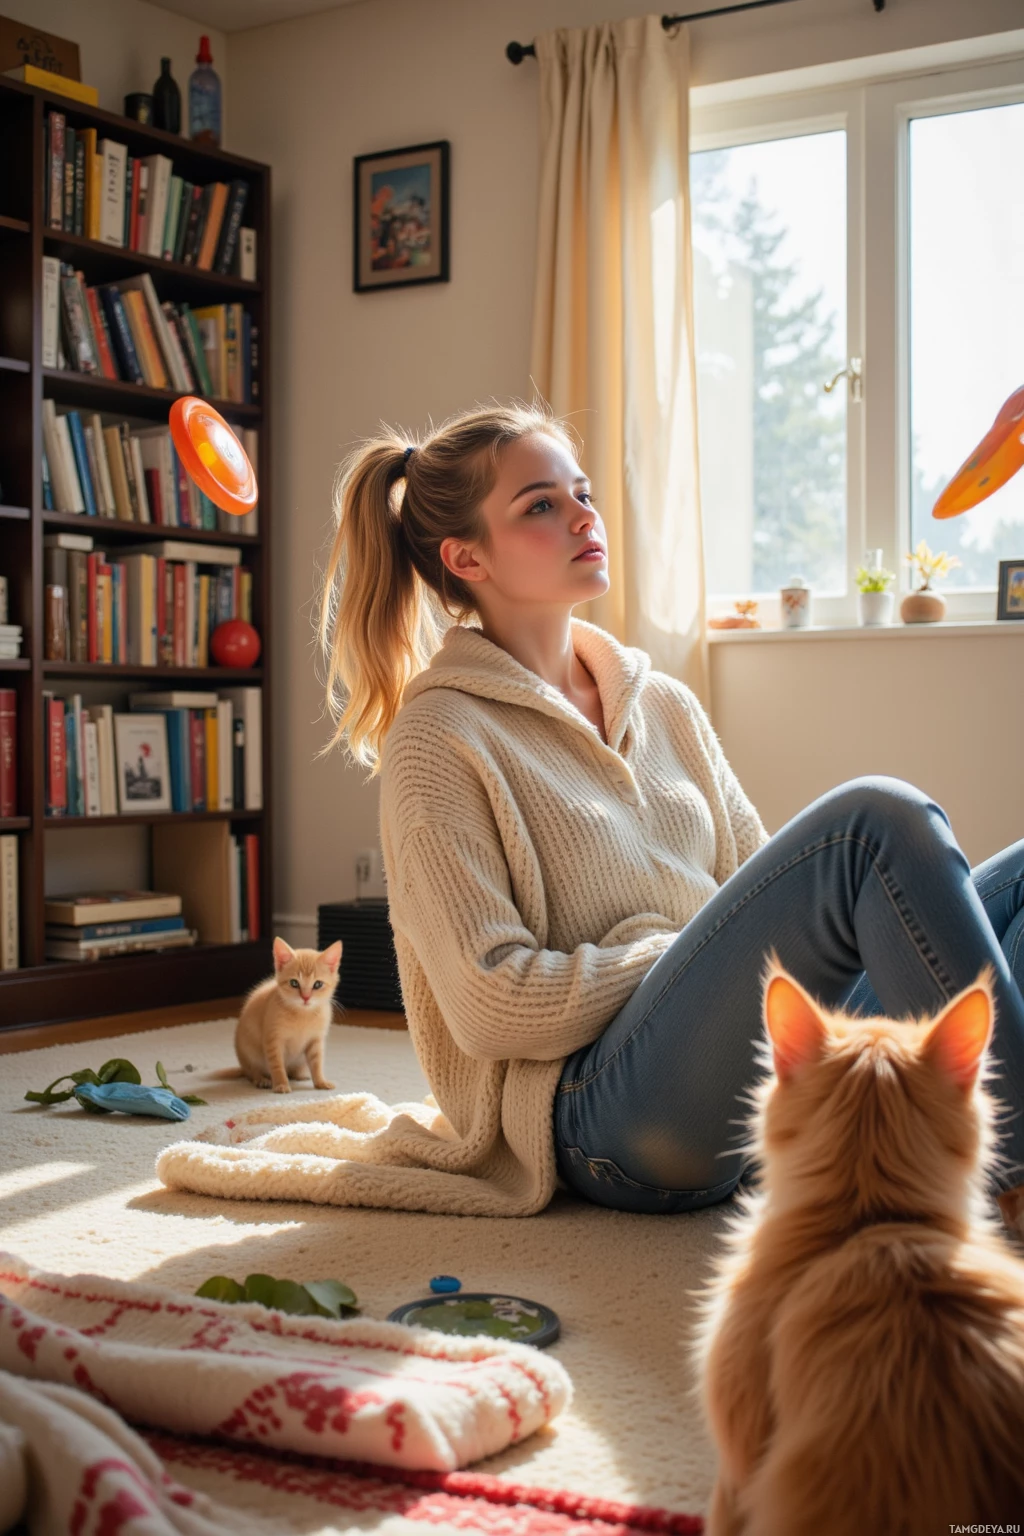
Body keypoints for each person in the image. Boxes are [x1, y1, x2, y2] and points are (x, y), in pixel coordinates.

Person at [316, 397, 1024, 1232]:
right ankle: (1012, 1170)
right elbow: (489, 1004)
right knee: (874, 823)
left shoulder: (667, 706)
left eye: (581, 492)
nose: (583, 514)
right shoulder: (438, 737)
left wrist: (711, 951)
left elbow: (777, 904)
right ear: (468, 557)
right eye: (540, 505)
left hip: (744, 1070)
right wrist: (681, 953)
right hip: (597, 1116)